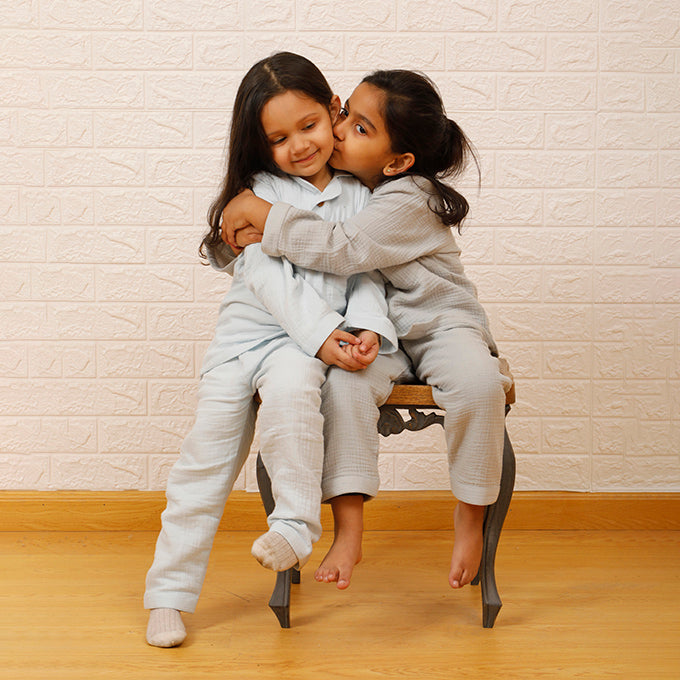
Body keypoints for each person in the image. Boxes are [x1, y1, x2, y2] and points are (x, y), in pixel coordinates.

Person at [221, 69, 514, 593]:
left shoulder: (411, 196)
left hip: (441, 325)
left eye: (359, 128)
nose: (337, 131)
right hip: (383, 332)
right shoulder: (353, 188)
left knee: (477, 384)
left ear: (397, 161)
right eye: (345, 114)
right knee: (347, 387)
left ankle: (470, 516)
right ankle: (349, 530)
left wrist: (259, 212)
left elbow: (342, 248)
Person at [144, 53, 396, 648]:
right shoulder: (257, 194)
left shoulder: (363, 196)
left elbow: (365, 272)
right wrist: (324, 338)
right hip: (247, 342)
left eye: (307, 126)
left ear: (333, 111)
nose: (299, 146)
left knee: (292, 408)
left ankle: (296, 524)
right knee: (202, 466)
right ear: (261, 145)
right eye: (278, 138)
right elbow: (266, 276)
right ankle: (168, 596)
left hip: (302, 349)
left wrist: (364, 329)